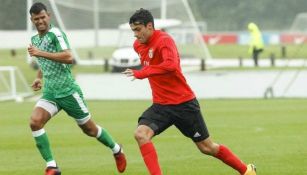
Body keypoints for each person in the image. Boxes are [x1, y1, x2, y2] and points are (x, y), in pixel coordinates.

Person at [122, 8, 256, 175]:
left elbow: (171, 65)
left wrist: (142, 73)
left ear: (150, 26)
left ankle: (246, 170)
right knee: (141, 134)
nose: (135, 34)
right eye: (133, 30)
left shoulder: (164, 40)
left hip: (183, 104)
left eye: (138, 29)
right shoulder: (138, 46)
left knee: (207, 147)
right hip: (161, 105)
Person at [27, 2, 126, 175]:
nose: (40, 21)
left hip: (68, 92)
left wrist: (39, 53)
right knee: (35, 122)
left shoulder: (55, 34)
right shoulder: (35, 40)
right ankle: (52, 166)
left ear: (48, 15)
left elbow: (68, 57)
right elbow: (45, 62)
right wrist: (38, 78)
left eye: (43, 17)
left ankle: (117, 149)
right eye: (36, 19)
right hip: (50, 92)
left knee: (90, 130)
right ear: (32, 20)